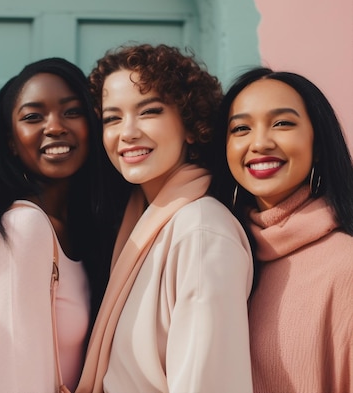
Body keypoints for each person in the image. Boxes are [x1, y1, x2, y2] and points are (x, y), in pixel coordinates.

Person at [76, 44, 254, 393]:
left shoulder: (200, 231)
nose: (127, 132)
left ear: (191, 125)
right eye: (112, 118)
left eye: (149, 111)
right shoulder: (142, 223)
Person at [0, 57, 122, 393]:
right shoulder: (22, 229)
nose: (55, 126)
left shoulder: (80, 229)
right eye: (33, 116)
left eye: (72, 111)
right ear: (9, 142)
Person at [209, 67, 353, 393]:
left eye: (282, 123)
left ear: (317, 143)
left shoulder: (345, 266)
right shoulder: (219, 254)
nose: (260, 142)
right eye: (241, 128)